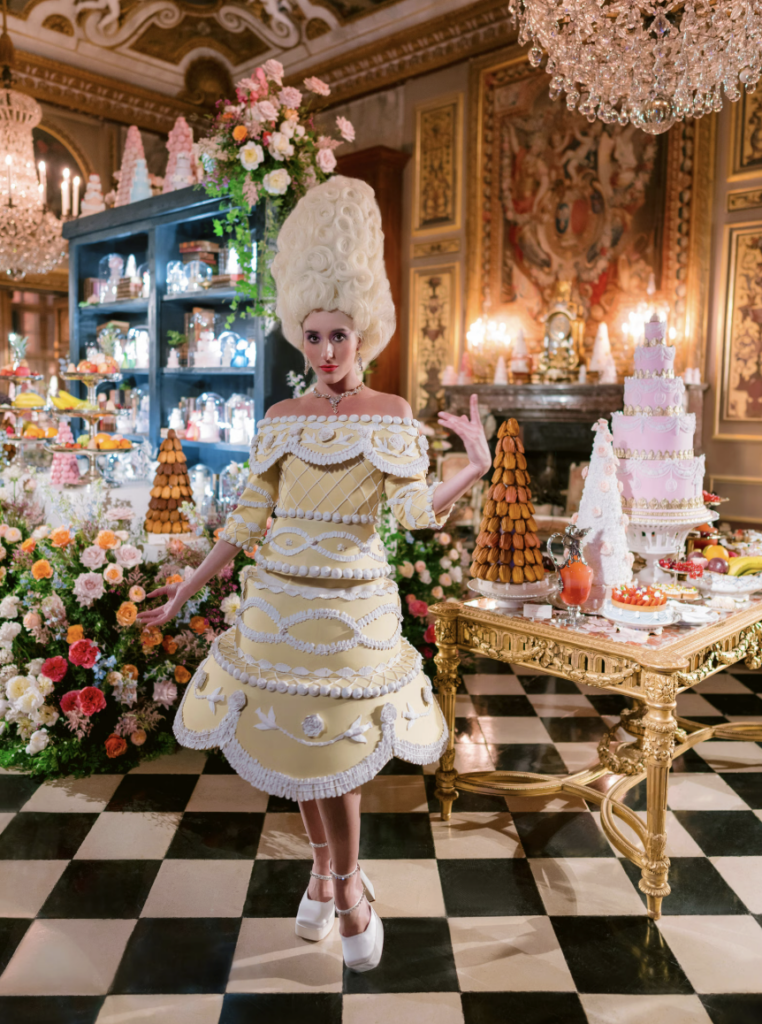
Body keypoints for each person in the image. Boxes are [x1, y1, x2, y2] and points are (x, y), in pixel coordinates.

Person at [137, 176, 491, 972]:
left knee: (339, 753)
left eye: (340, 336)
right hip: (280, 605)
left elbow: (413, 518)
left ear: (364, 330)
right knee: (300, 751)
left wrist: (473, 468)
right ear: (298, 335)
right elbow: (241, 527)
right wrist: (186, 591)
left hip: (354, 611)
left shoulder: (392, 415)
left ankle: (347, 885)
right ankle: (328, 873)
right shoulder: (279, 421)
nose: (327, 353)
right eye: (314, 337)